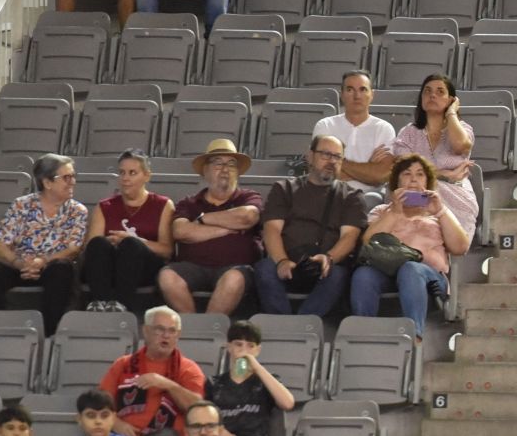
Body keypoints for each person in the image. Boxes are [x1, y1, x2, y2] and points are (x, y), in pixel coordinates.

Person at [349, 154, 471, 341]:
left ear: (428, 182)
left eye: (420, 174)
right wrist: (395, 213)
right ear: (396, 182)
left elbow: (460, 248)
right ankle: (363, 336)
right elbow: (368, 241)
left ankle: (415, 337)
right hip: (386, 272)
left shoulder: (438, 214)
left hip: (428, 275)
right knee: (363, 275)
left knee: (410, 269)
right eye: (407, 174)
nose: (413, 179)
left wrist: (440, 211)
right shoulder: (382, 211)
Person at [256, 135, 370, 318]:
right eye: (325, 155)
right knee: (264, 269)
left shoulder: (352, 196)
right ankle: (281, 324)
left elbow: (349, 237)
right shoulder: (284, 188)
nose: (331, 161)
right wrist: (282, 261)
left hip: (325, 265)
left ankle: (303, 325)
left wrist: (329, 258)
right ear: (310, 156)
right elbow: (272, 230)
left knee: (338, 275)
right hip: (287, 260)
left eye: (337, 157)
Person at [0, 152, 88, 334]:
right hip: (20, 265)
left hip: (51, 266)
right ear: (47, 183)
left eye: (73, 176)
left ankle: (49, 332)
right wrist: (18, 263)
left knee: (62, 268)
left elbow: (73, 248)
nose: (73, 181)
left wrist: (43, 261)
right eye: (66, 177)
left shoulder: (77, 211)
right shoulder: (22, 205)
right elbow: (1, 244)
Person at [157, 138, 263, 318]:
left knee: (233, 279)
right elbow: (181, 231)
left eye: (231, 164)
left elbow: (247, 217)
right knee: (167, 277)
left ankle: (208, 327)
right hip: (193, 266)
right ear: (205, 171)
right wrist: (228, 228)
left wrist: (202, 220)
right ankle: (192, 325)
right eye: (217, 163)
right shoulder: (189, 203)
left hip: (235, 268)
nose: (225, 169)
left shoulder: (248, 197)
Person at [101, 305, 207, 436]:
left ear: (178, 336)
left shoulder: (188, 369)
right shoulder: (123, 365)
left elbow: (198, 409)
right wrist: (116, 423)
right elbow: (100, 403)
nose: (166, 336)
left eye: (172, 331)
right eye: (160, 329)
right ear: (146, 331)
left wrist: (168, 385)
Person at [80, 150, 175, 314]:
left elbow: (167, 251)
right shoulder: (105, 206)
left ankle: (121, 304)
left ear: (146, 176)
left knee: (131, 244)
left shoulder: (163, 205)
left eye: (132, 173)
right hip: (109, 267)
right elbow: (91, 248)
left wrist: (136, 241)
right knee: (98, 243)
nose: (125, 178)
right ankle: (100, 302)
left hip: (144, 268)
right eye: (122, 173)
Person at [203, 320, 297, 436]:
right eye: (238, 345)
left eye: (250, 346)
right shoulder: (214, 383)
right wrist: (218, 430)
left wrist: (257, 367)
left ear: (258, 350)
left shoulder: (266, 381)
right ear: (229, 347)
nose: (244, 351)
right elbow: (201, 414)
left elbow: (288, 403)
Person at [388, 73, 480, 234]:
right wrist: (444, 174)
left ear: (451, 100)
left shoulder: (463, 129)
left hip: (456, 196)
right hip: (415, 195)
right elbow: (403, 169)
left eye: (440, 92)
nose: (432, 95)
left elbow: (461, 146)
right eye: (427, 91)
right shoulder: (409, 133)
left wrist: (451, 113)